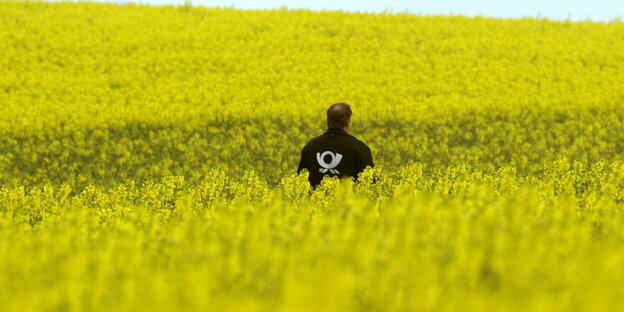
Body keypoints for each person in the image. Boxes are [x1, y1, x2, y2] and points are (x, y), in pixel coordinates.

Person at [297, 103, 374, 187]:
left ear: (328, 121)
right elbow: (370, 184)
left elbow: (300, 181)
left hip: (313, 199)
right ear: (347, 122)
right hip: (348, 199)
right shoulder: (359, 148)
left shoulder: (311, 146)